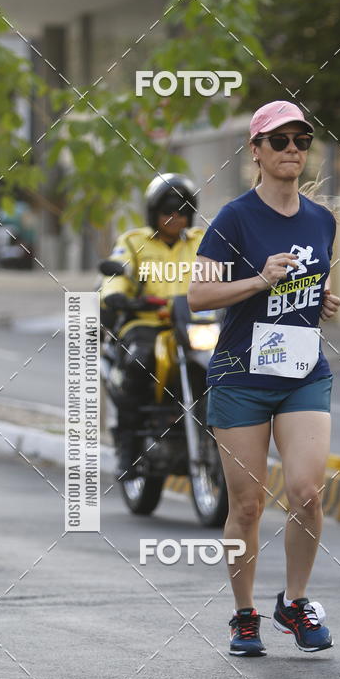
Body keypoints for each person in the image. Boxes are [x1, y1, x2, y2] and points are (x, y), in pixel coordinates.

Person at [188, 100, 340, 656]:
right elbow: (198, 296)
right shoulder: (233, 218)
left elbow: (307, 284)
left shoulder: (323, 218)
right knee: (247, 504)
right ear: (255, 150)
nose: (292, 150)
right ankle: (244, 615)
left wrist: (320, 299)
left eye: (301, 140)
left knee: (306, 492)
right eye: (280, 141)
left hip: (302, 370)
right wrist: (258, 281)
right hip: (240, 375)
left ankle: (295, 603)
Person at [100, 173, 204, 479]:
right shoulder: (133, 242)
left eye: (182, 211)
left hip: (194, 325)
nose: (176, 218)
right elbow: (117, 272)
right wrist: (116, 293)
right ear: (153, 213)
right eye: (168, 211)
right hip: (146, 323)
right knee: (138, 362)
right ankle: (128, 446)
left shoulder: (202, 241)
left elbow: (229, 270)